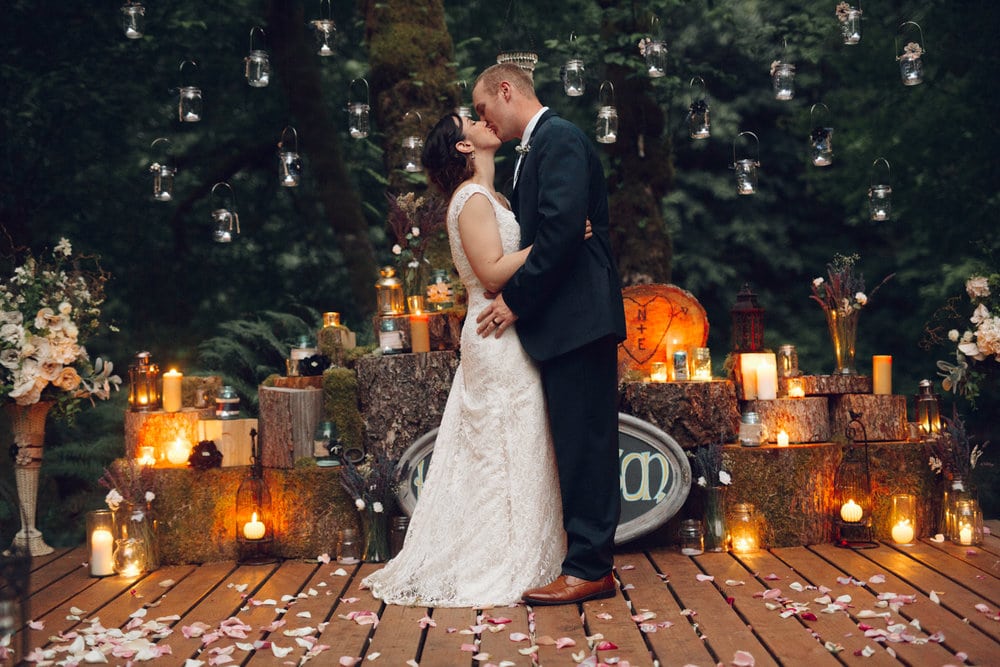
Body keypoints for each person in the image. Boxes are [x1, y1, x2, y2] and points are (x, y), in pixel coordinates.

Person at [361, 112, 567, 607]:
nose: (484, 121)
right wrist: (555, 243)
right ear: (462, 146)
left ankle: (528, 549)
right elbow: (493, 273)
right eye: (471, 120)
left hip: (505, 328)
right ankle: (496, 560)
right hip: (493, 333)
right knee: (500, 439)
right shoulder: (472, 200)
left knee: (519, 436)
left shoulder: (493, 197)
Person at [472, 63, 627, 606]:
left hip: (579, 319)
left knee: (587, 444)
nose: (481, 118)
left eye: (483, 106)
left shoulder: (559, 138)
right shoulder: (534, 150)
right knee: (577, 443)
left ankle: (589, 568)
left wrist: (514, 302)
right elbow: (553, 229)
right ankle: (586, 561)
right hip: (568, 321)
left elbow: (562, 230)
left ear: (506, 90)